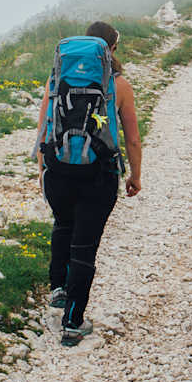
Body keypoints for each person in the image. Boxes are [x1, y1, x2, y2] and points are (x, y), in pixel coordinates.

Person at [35, 21, 142, 346]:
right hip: (98, 173)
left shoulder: (57, 79)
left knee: (63, 224)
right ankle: (72, 322)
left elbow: (43, 126)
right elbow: (132, 139)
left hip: (58, 169)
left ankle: (58, 289)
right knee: (86, 245)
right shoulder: (120, 86)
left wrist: (42, 168)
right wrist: (135, 176)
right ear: (111, 49)